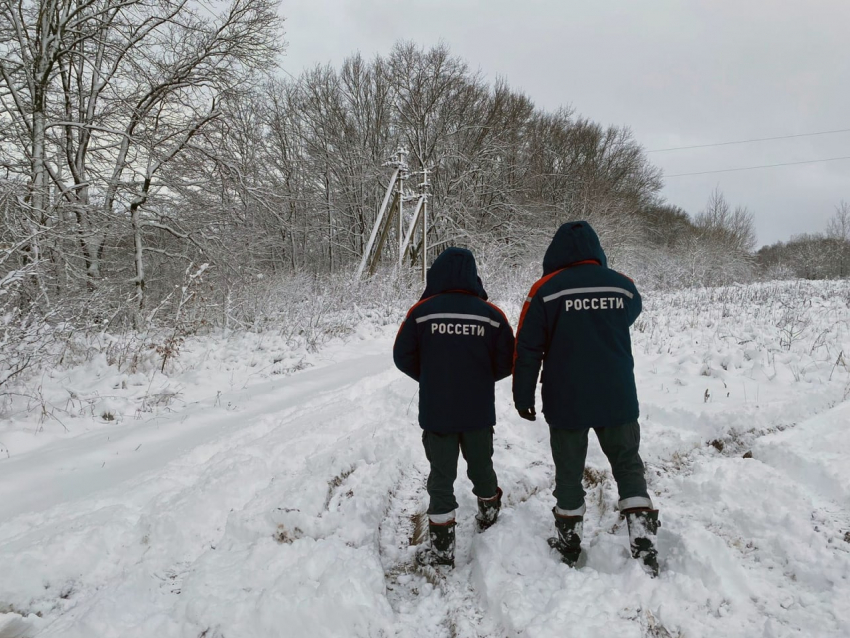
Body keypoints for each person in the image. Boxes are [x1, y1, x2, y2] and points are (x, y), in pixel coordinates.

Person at [512, 221, 660, 576]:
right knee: (627, 463)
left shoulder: (545, 290)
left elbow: (527, 349)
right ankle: (642, 537)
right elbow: (630, 313)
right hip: (617, 395)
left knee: (568, 471)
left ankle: (568, 542)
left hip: (567, 399)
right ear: (596, 249)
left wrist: (523, 396)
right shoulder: (624, 287)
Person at [393, 247, 515, 568]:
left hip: (438, 414)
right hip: (477, 413)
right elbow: (508, 360)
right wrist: (482, 377)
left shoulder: (422, 312)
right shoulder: (492, 315)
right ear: (473, 275)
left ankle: (442, 551)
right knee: (481, 467)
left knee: (441, 476)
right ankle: (489, 516)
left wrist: (431, 377)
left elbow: (402, 356)